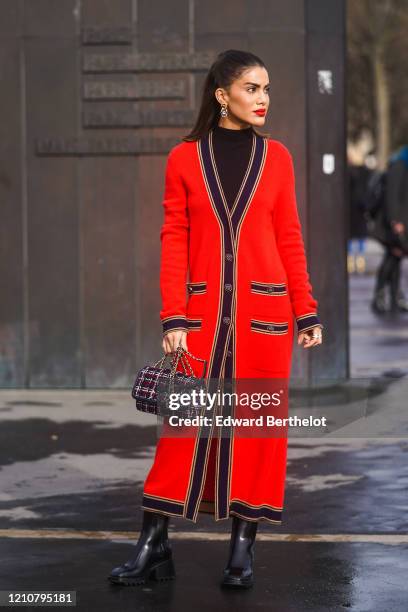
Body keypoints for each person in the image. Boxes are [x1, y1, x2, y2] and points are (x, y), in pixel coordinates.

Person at [108, 49, 324, 589]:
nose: (264, 99)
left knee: (255, 431)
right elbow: (174, 238)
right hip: (202, 319)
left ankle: (242, 548)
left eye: (267, 89)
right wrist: (173, 316)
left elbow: (289, 237)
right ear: (221, 96)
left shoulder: (278, 158)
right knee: (181, 431)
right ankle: (153, 544)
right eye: (252, 89)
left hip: (264, 319)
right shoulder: (183, 158)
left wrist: (306, 309)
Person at [371, 145, 408, 314]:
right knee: (393, 256)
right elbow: (393, 195)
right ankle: (380, 297)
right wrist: (396, 222)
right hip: (393, 223)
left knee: (395, 258)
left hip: (397, 221)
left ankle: (393, 297)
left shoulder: (401, 164)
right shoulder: (399, 166)